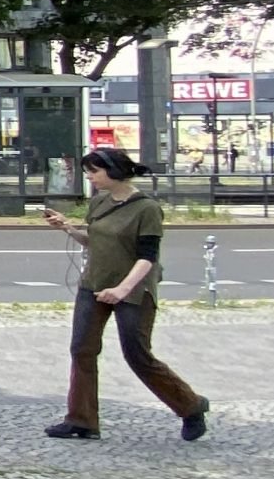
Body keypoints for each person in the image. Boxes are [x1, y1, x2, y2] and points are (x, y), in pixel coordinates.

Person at [39, 147, 209, 441]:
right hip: (93, 285)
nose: (90, 177)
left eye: (94, 171)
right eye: (87, 172)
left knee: (138, 356)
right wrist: (66, 228)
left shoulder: (147, 208)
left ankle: (191, 406)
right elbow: (93, 240)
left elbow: (147, 257)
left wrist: (122, 289)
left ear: (114, 171)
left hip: (133, 291)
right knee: (82, 350)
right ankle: (82, 421)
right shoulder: (100, 201)